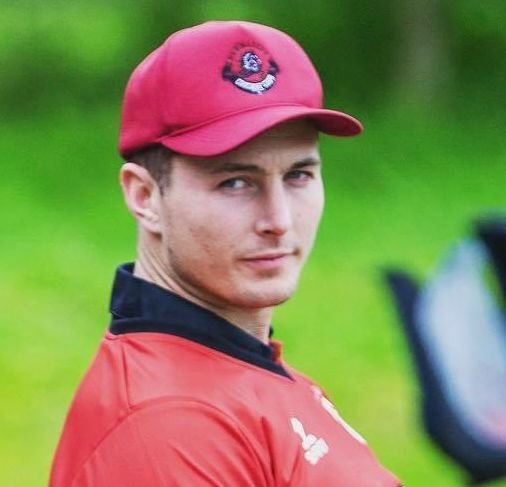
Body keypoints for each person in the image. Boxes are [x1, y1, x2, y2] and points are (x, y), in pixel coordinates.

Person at [50, 20, 401, 486]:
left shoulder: (236, 363)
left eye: (298, 176)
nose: (279, 219)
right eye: (236, 183)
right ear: (144, 196)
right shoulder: (170, 428)